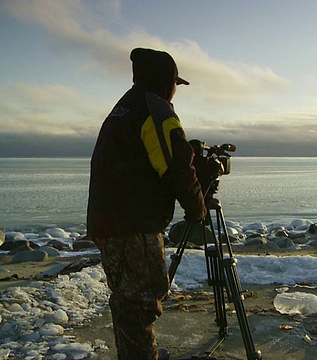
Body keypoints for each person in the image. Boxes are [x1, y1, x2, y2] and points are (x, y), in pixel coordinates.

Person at [87, 48, 206, 360]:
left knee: (128, 301)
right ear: (166, 81)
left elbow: (146, 160)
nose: (176, 91)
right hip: (133, 225)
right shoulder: (156, 109)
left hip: (109, 221)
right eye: (175, 84)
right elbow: (176, 166)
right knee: (140, 300)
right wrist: (197, 206)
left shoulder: (126, 107)